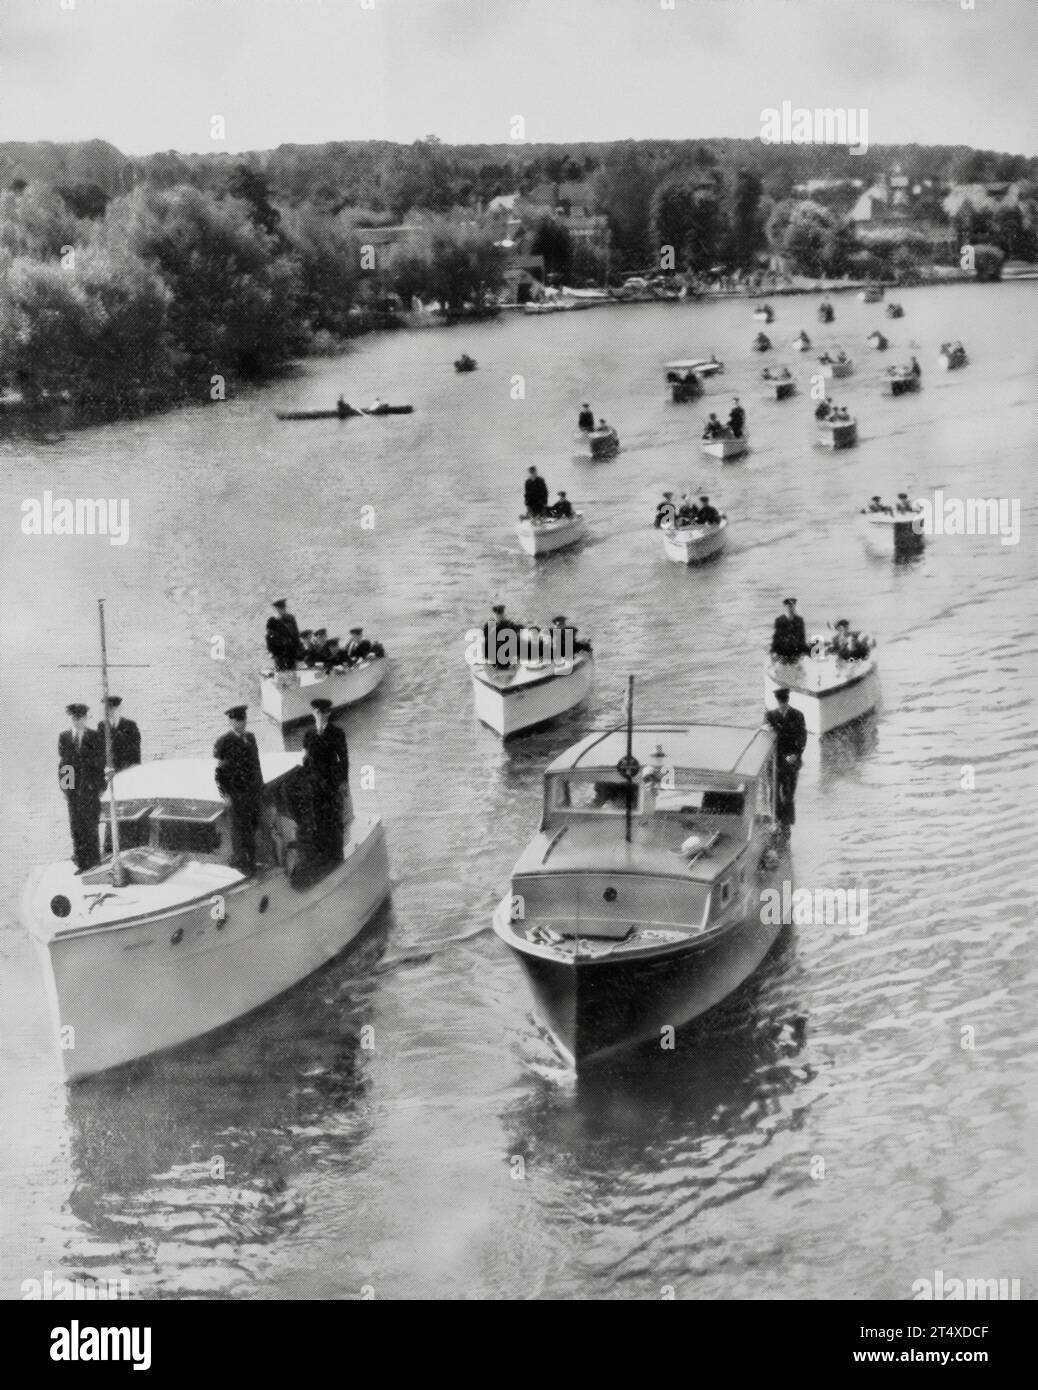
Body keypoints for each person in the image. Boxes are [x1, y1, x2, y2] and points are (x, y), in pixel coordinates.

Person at [214, 705, 266, 875]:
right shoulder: (224, 742)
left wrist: (261, 787)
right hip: (236, 794)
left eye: (243, 720)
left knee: (252, 827)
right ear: (231, 721)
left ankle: (251, 861)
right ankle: (243, 865)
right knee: (240, 830)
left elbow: (256, 765)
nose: (242, 723)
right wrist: (225, 794)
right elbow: (220, 772)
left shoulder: (250, 738)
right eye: (238, 720)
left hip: (252, 792)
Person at [59, 703, 106, 872]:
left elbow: (101, 763)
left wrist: (101, 786)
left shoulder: (94, 736)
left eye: (80, 718)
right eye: (74, 718)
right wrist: (66, 789)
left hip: (91, 789)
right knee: (76, 827)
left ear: (85, 718)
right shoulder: (64, 737)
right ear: (70, 718)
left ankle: (94, 861)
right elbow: (64, 764)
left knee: (91, 824)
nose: (77, 721)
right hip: (73, 791)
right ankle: (81, 862)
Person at [302, 698, 350, 864]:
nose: (321, 715)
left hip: (331, 783)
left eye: (324, 712)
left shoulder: (337, 733)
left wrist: (343, 782)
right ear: (313, 713)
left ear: (329, 713)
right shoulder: (308, 735)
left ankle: (337, 856)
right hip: (315, 785)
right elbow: (305, 760)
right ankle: (323, 857)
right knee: (318, 819)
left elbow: (343, 759)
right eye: (317, 712)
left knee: (334, 819)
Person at [765, 688, 808, 836]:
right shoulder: (770, 716)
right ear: (777, 701)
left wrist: (796, 754)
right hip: (775, 761)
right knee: (774, 795)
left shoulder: (797, 716)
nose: (782, 704)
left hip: (791, 760)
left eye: (783, 701)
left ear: (787, 700)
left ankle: (787, 825)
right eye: (780, 701)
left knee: (788, 795)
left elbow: (802, 737)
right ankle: (775, 823)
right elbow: (766, 738)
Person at [98, 695, 141, 772]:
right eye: (107, 709)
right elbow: (99, 749)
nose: (110, 711)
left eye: (113, 708)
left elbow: (135, 750)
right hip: (109, 769)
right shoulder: (102, 726)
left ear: (119, 708)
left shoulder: (130, 725)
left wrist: (135, 769)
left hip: (126, 768)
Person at [265, 598, 301, 672]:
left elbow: (296, 634)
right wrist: (273, 651)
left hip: (291, 651)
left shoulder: (291, 618)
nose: (281, 610)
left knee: (292, 672)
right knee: (282, 673)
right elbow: (269, 638)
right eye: (279, 609)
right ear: (276, 609)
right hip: (280, 653)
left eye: (283, 608)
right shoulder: (272, 621)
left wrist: (297, 648)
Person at [770, 597, 810, 662]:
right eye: (789, 606)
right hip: (783, 651)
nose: (791, 608)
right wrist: (773, 652)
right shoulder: (780, 620)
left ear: (795, 606)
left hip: (795, 651)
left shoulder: (799, 620)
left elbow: (802, 637)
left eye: (793, 606)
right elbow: (776, 637)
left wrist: (806, 651)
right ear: (785, 607)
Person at [482, 603, 520, 669]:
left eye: (501, 614)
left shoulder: (509, 623)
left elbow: (519, 630)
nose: (500, 616)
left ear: (504, 614)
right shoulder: (489, 626)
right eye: (498, 614)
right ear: (495, 615)